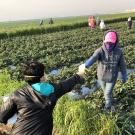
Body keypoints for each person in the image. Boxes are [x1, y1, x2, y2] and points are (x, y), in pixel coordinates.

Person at [0, 61, 84, 135]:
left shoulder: (17, 94)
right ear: (42, 77)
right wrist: (80, 73)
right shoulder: (53, 89)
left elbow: (2, 117)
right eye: (45, 72)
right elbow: (67, 84)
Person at [79, 30, 127, 111]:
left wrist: (124, 74)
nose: (109, 44)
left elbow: (122, 64)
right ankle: (111, 102)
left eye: (111, 43)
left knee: (107, 93)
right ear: (104, 41)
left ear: (115, 42)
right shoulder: (100, 50)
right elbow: (93, 58)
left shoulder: (119, 52)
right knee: (106, 92)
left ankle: (107, 107)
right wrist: (86, 65)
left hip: (112, 77)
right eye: (107, 42)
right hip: (101, 76)